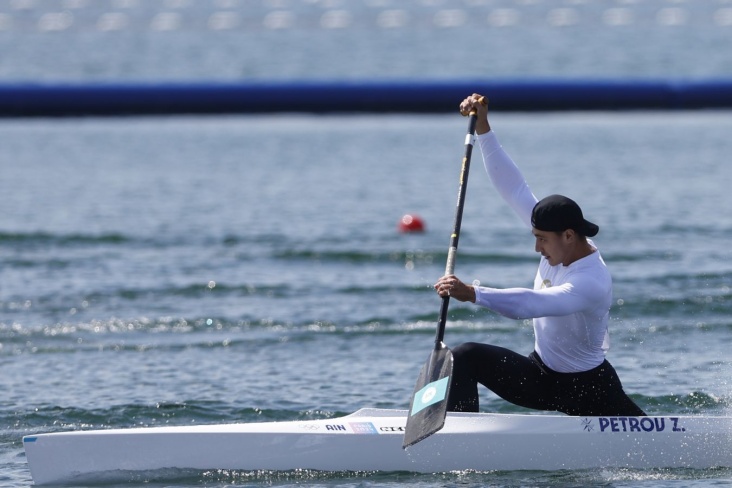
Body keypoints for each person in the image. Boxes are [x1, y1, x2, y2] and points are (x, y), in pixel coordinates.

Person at [433, 93, 646, 417]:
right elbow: (513, 187)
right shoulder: (554, 236)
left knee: (650, 447)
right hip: (541, 375)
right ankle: (461, 440)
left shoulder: (592, 281)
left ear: (570, 236)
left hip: (587, 389)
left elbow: (531, 304)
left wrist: (473, 293)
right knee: (464, 356)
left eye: (542, 240)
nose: (537, 248)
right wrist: (484, 127)